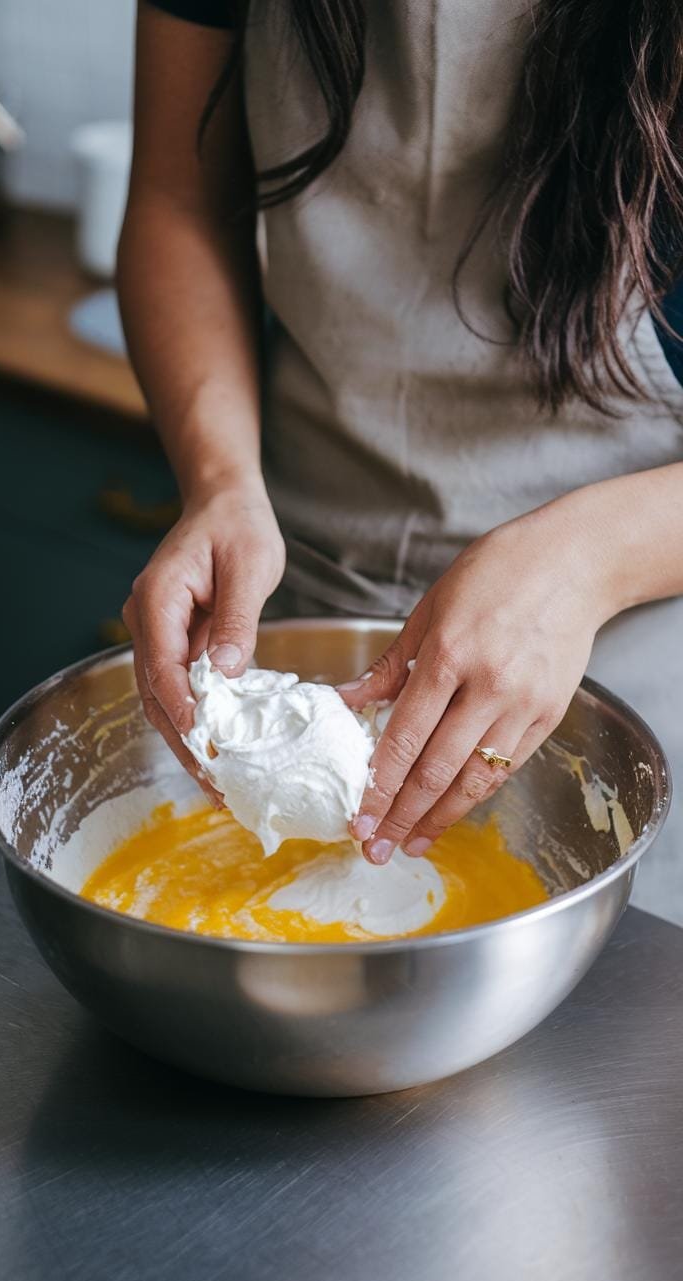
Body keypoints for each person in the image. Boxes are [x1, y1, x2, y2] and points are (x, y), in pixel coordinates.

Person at [117, 0, 683, 912]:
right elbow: (179, 203)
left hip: (641, 641)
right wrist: (220, 480)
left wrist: (594, 559)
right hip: (303, 587)